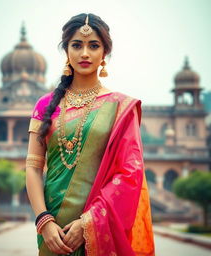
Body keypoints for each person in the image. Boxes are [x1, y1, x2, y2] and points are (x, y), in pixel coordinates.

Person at [26, 13, 155, 256]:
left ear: (104, 52)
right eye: (77, 45)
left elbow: (130, 173)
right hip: (52, 228)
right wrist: (44, 221)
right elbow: (33, 167)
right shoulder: (45, 105)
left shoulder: (119, 107)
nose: (84, 53)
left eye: (93, 45)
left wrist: (88, 222)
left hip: (97, 227)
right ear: (67, 51)